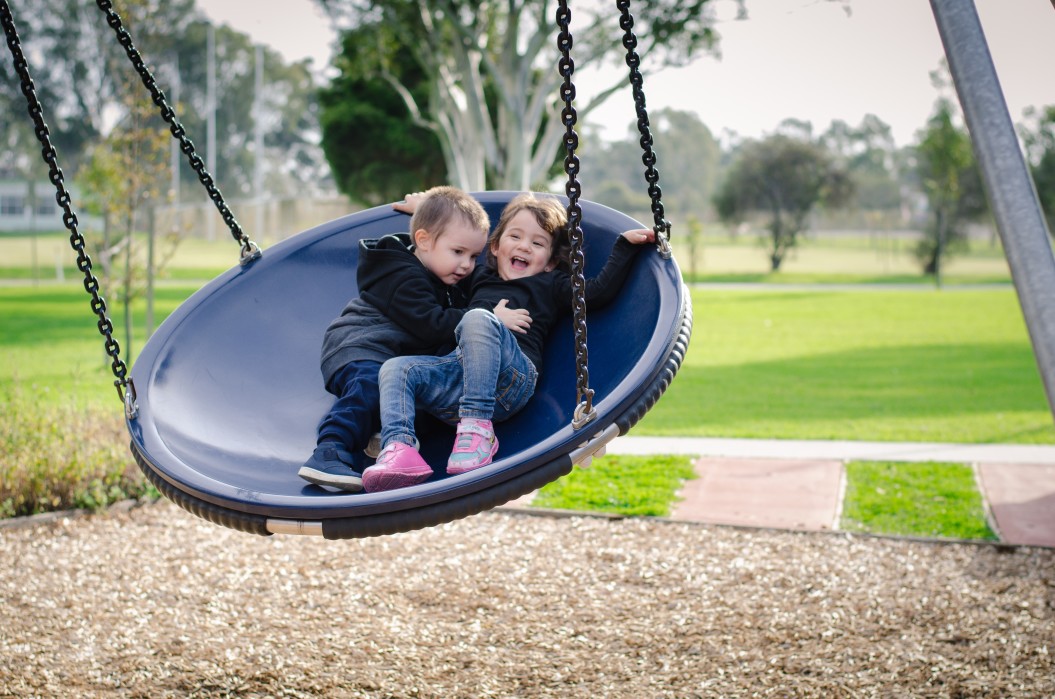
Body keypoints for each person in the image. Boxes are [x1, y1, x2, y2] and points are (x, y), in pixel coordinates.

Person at [361, 191, 655, 492]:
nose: (524, 246)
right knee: (396, 369)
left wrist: (624, 247)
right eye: (515, 236)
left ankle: (478, 432)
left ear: (551, 262)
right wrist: (425, 209)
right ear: (496, 247)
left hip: (511, 379)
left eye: (538, 243)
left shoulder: (549, 284)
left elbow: (595, 292)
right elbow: (451, 241)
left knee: (476, 318)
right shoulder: (478, 276)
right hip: (457, 381)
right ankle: (400, 449)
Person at [298, 186, 493, 491]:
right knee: (368, 385)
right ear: (423, 241)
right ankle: (329, 450)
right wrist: (485, 318)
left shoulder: (442, 271)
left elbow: (451, 230)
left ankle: (379, 435)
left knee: (420, 395)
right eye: (458, 252)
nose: (468, 264)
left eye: (474, 255)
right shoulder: (403, 276)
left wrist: (424, 209)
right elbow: (432, 325)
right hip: (360, 344)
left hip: (390, 354)